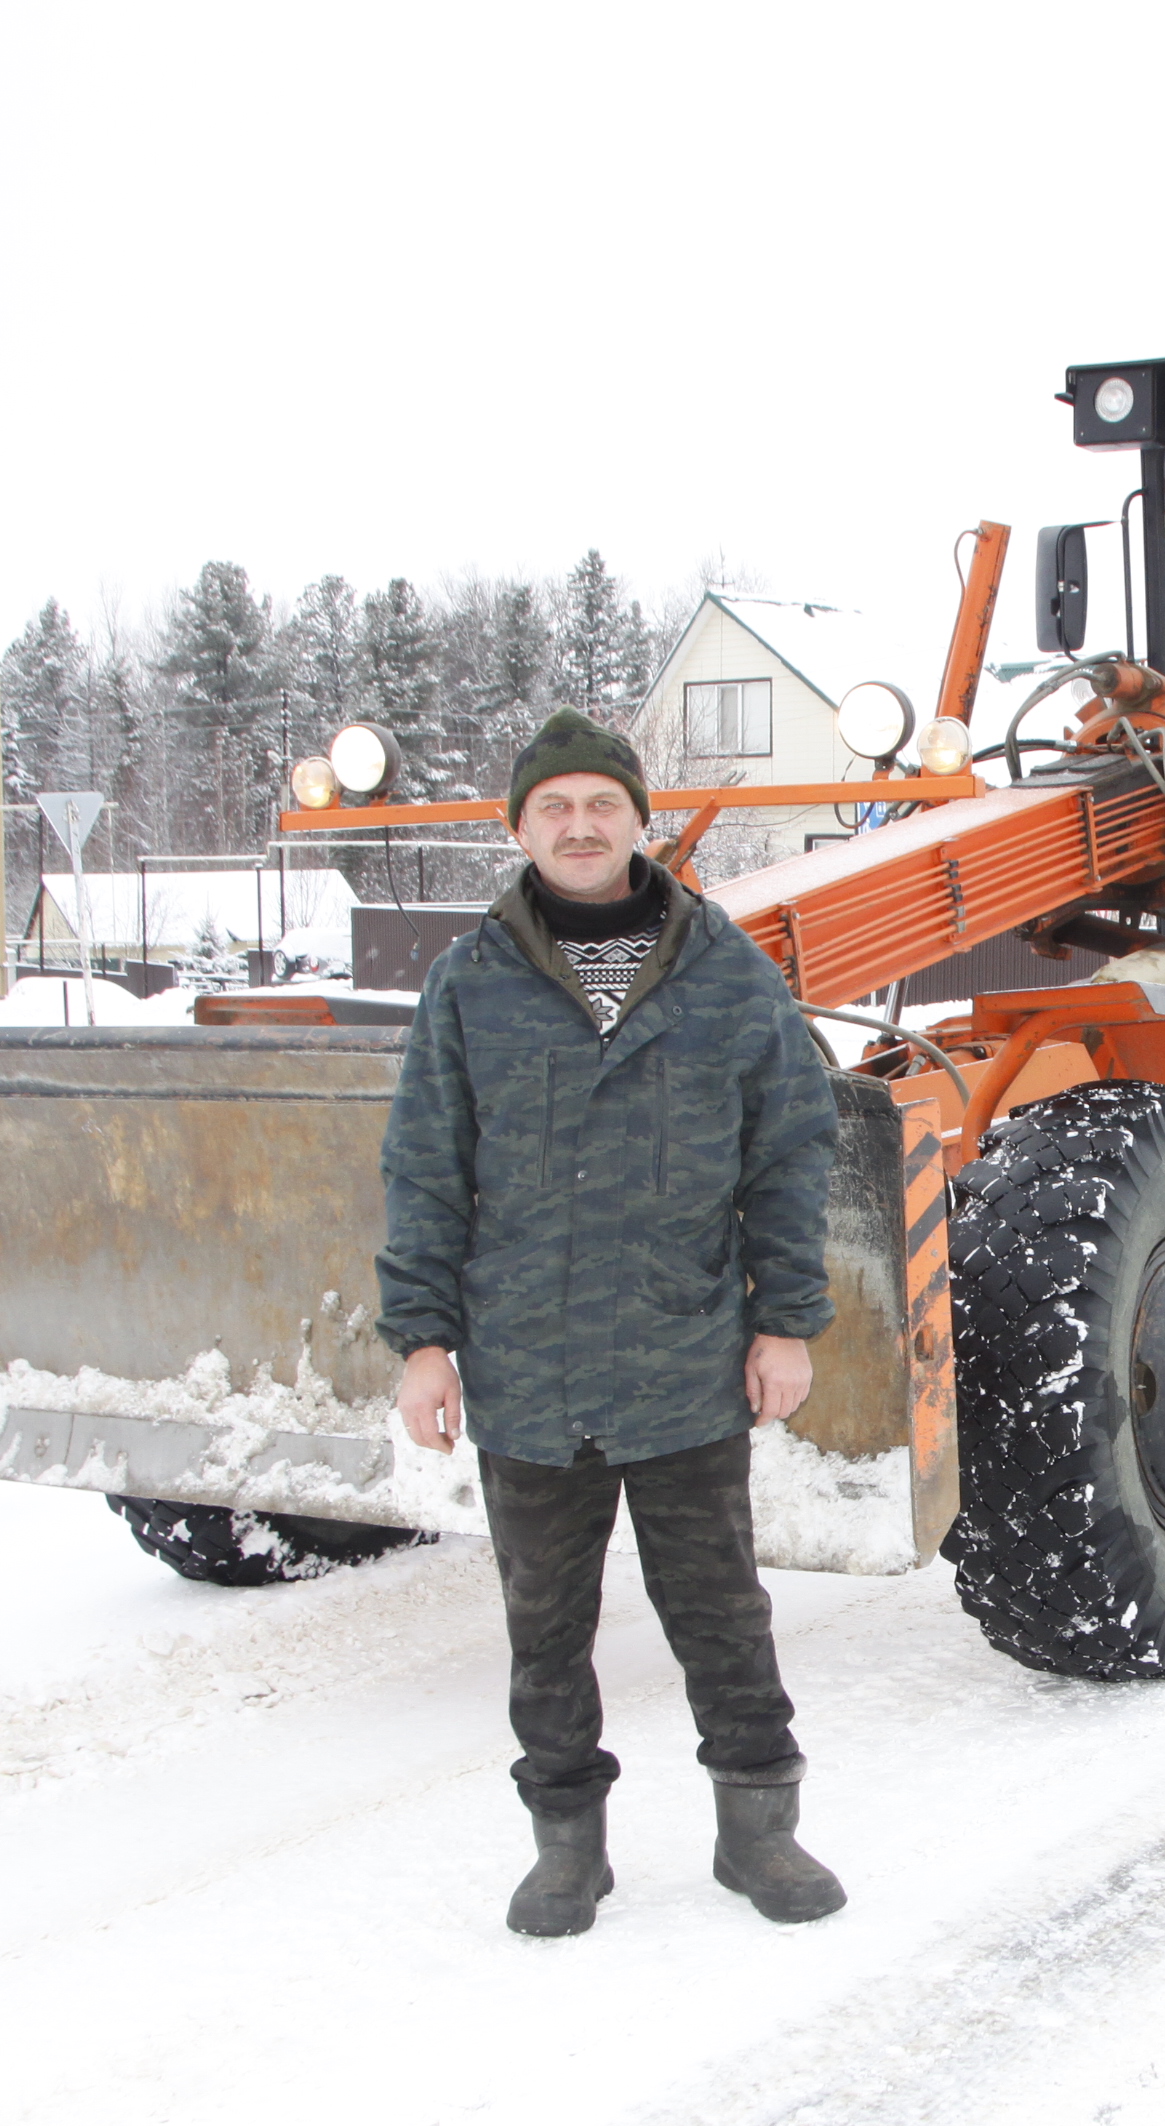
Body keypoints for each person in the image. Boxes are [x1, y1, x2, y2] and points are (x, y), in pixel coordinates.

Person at [375, 708, 848, 1939]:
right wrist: (422, 1340)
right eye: (554, 809)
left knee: (722, 1612)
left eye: (601, 805)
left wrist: (784, 1320)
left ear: (642, 822)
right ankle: (566, 1851)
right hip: (526, 1370)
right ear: (519, 829)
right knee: (546, 1629)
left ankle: (762, 1836)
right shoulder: (469, 984)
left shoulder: (728, 973)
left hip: (687, 1357)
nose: (579, 828)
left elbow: (790, 1157)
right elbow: (425, 1166)